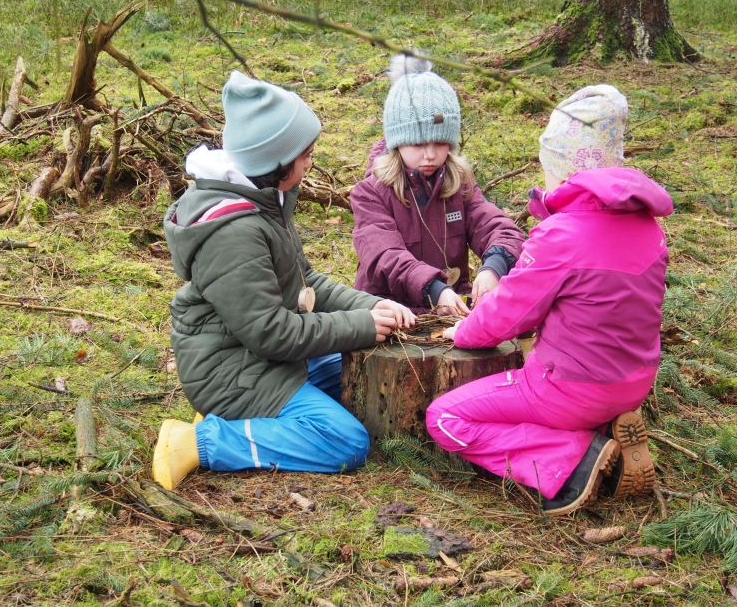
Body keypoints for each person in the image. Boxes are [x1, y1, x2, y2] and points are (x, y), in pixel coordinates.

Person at [152, 71, 415, 490]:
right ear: (275, 161)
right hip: (232, 372)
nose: (311, 162)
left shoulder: (264, 201)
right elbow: (271, 333)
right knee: (346, 442)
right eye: (305, 154)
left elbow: (304, 280)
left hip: (262, 360)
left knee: (357, 362)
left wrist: (369, 307)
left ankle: (250, 423)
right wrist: (360, 326)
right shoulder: (234, 231)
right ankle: (197, 442)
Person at [425, 85, 672, 516]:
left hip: (568, 389)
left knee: (445, 418)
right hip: (635, 382)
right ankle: (604, 426)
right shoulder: (649, 228)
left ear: (561, 167)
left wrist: (463, 329)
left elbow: (510, 315)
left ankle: (574, 456)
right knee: (545, 387)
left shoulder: (562, 234)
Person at [351, 55, 525, 316]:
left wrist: (493, 267)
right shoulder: (370, 193)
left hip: (451, 310)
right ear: (397, 141)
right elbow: (384, 255)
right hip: (391, 313)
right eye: (419, 144)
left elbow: (495, 227)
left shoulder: (459, 185)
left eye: (440, 143)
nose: (430, 155)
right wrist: (435, 289)